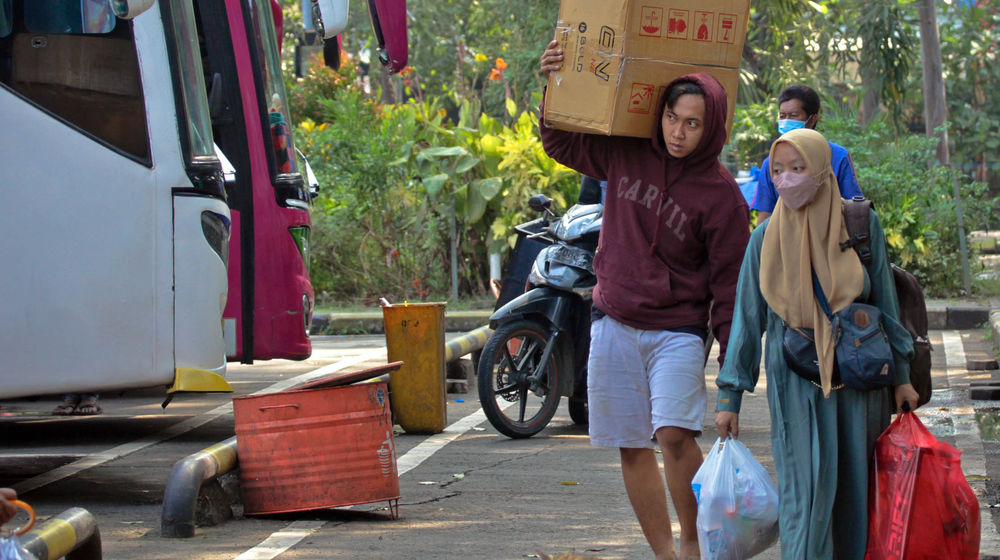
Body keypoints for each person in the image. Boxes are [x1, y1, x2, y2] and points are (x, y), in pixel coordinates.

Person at [539, 41, 750, 560]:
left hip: (678, 330)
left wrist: (732, 375)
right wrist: (553, 82)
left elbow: (730, 288)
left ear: (712, 128)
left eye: (693, 124)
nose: (678, 132)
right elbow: (560, 142)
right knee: (631, 444)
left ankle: (693, 543)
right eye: (672, 118)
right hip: (614, 319)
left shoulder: (722, 196)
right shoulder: (625, 152)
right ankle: (664, 554)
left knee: (674, 436)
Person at [714, 128, 919, 559]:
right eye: (777, 170)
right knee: (803, 495)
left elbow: (885, 304)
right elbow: (747, 320)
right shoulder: (764, 241)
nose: (786, 179)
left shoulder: (860, 226)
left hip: (860, 382)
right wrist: (730, 397)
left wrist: (902, 377)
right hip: (795, 384)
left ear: (824, 170)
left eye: (798, 167)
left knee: (857, 493)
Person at [752, 85, 862, 223]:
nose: (786, 121)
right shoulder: (771, 163)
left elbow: (853, 207)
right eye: (782, 116)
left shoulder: (837, 156)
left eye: (793, 116)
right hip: (787, 234)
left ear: (812, 119)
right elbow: (765, 214)